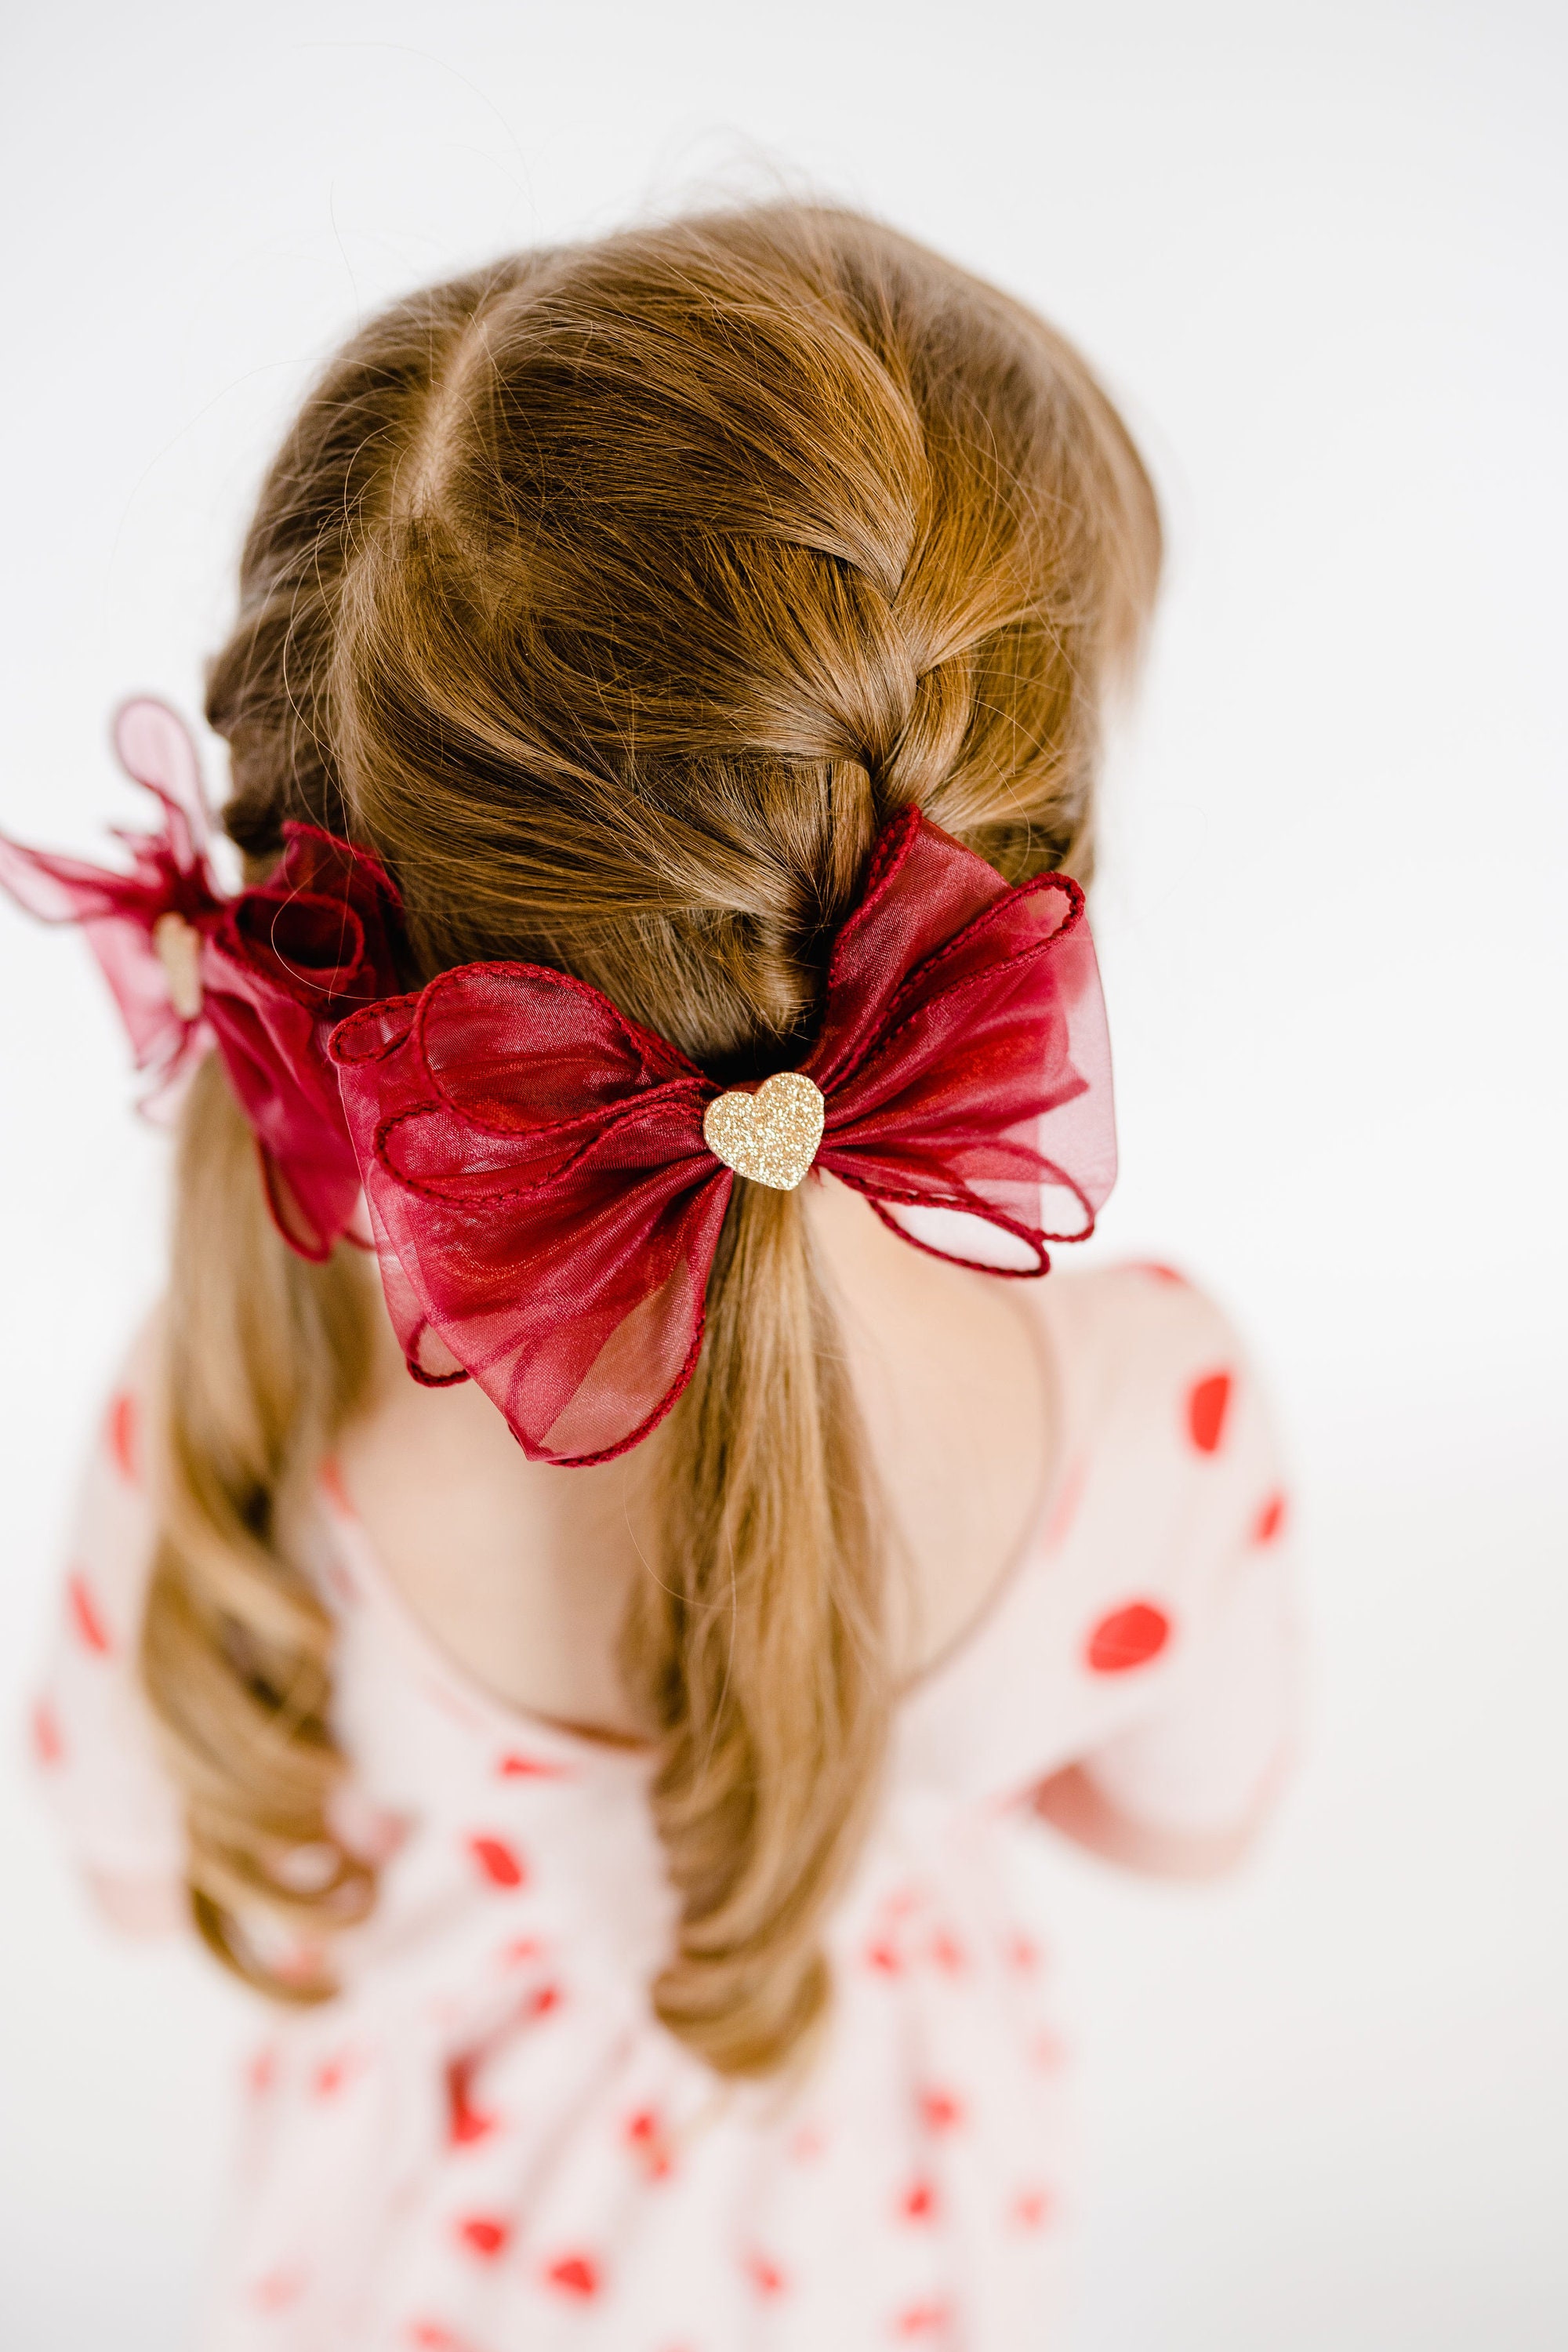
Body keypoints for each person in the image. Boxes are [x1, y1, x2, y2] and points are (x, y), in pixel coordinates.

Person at [4, 204, 1298, 2350]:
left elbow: (143, 1871)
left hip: (396, 2270)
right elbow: (1189, 1831)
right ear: (1013, 919)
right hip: (905, 2253)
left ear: (328, 933)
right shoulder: (1155, 1420)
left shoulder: (230, 1400)